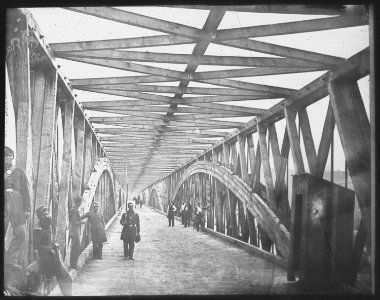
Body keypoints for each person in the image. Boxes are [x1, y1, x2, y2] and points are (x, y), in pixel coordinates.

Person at [33, 206, 72, 296]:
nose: (48, 216)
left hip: (52, 256)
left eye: (48, 213)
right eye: (45, 214)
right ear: (41, 216)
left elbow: (49, 240)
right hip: (46, 258)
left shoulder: (47, 225)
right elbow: (36, 245)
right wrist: (49, 249)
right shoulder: (39, 229)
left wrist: (54, 244)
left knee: (56, 278)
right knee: (65, 278)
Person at [4, 146, 31, 266]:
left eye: (11, 156)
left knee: (21, 233)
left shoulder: (19, 171)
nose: (9, 158)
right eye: (6, 156)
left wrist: (27, 209)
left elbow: (25, 191)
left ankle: (10, 260)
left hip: (18, 203)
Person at [68, 196, 82, 270]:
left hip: (75, 231)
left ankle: (74, 264)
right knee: (75, 248)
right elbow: (73, 222)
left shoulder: (75, 209)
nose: (80, 204)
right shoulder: (73, 210)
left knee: (76, 248)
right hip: (74, 232)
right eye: (80, 202)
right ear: (77, 202)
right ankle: (73, 265)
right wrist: (80, 222)